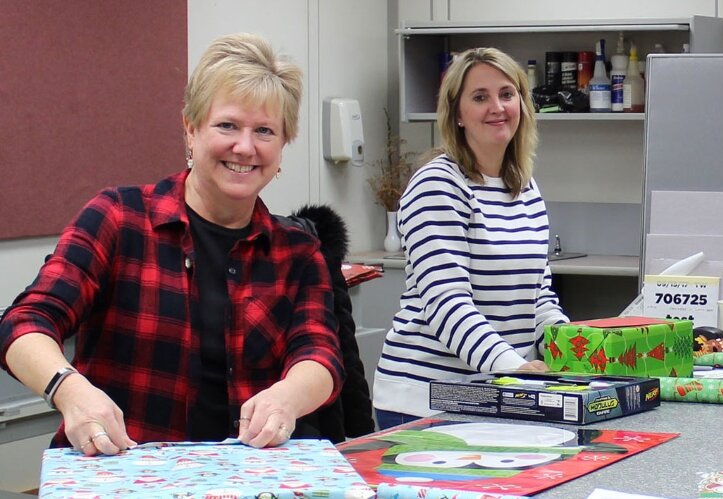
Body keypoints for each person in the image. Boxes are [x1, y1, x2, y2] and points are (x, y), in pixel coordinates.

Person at [0, 33, 344, 454]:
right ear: (190, 128)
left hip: (247, 475)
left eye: (265, 131)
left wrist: (288, 397)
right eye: (227, 126)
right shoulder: (117, 218)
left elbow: (321, 355)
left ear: (283, 145)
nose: (245, 147)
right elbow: (25, 322)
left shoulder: (298, 252)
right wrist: (68, 389)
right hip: (122, 473)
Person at [372, 47, 569, 429]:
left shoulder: (524, 186)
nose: (497, 106)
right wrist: (518, 370)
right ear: (457, 114)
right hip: (427, 399)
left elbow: (538, 297)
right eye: (480, 97)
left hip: (500, 391)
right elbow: (448, 305)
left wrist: (570, 348)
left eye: (506, 94)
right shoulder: (438, 184)